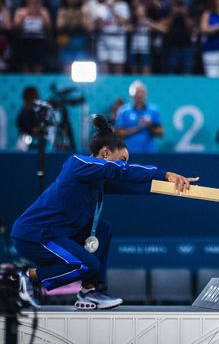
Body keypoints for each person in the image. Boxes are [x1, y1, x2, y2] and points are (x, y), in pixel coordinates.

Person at [12, 115, 197, 309]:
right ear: (106, 153)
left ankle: (90, 291)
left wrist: (173, 187)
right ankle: (26, 277)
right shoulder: (77, 163)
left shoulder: (99, 181)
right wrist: (165, 173)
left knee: (103, 228)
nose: (124, 164)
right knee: (86, 264)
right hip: (33, 234)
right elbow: (122, 172)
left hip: (55, 234)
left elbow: (133, 186)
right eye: (122, 160)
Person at [115, 80, 163, 153]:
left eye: (142, 92)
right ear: (131, 95)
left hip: (149, 152)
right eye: (138, 92)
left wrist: (150, 125)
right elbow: (119, 133)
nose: (140, 95)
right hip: (129, 152)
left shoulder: (154, 110)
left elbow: (160, 133)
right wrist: (138, 127)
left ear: (146, 94)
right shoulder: (123, 111)